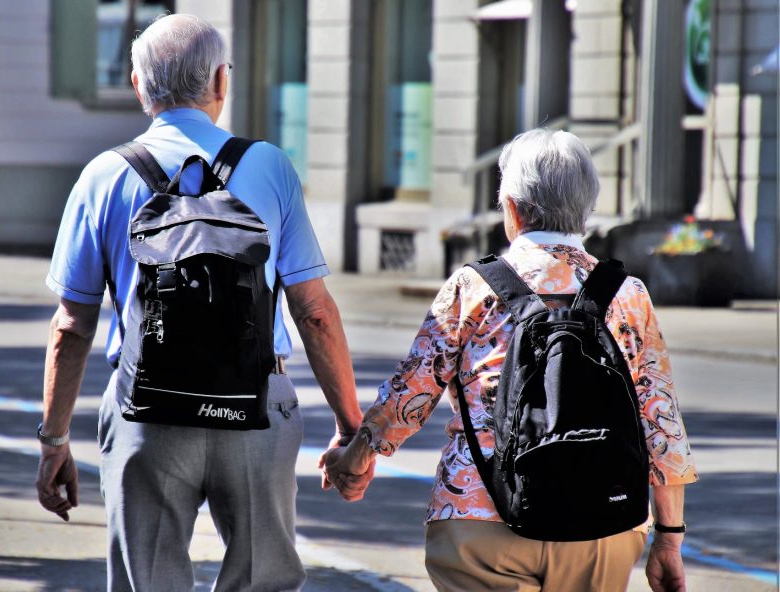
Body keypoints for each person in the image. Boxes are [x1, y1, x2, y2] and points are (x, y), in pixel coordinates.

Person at [35, 14, 368, 591]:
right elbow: (314, 311)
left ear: (139, 87)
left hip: (147, 412)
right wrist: (351, 428)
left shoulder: (102, 176)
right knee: (263, 578)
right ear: (221, 81)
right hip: (258, 406)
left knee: (150, 579)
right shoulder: (270, 166)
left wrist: (54, 441)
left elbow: (72, 327)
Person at [323, 129, 698, 592]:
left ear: (514, 209)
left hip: (480, 516)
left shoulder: (473, 286)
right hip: (603, 522)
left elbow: (411, 392)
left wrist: (357, 456)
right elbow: (662, 426)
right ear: (586, 209)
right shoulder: (628, 295)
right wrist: (668, 538)